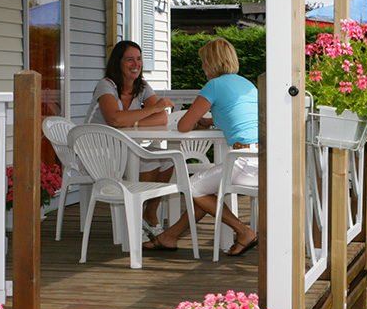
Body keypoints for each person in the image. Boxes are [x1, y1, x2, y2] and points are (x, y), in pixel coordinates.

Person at [143, 38, 259, 257]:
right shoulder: (247, 84)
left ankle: (244, 232)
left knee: (193, 187)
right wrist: (208, 121)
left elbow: (183, 126)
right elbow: (234, 116)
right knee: (203, 189)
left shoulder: (214, 86)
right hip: (263, 158)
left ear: (212, 63)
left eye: (204, 62)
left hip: (244, 162)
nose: (202, 67)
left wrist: (195, 120)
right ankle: (169, 236)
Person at [88, 40, 175, 233]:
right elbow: (114, 119)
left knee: (168, 160)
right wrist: (151, 109)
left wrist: (132, 122)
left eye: (139, 59)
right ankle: (136, 218)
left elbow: (162, 118)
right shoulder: (106, 85)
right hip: (97, 152)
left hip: (122, 148)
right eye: (130, 59)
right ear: (118, 62)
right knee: (148, 161)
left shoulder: (141, 87)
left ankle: (149, 213)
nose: (136, 64)